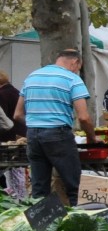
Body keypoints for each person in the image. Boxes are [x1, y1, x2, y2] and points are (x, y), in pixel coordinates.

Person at [13, 49, 96, 205]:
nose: (77, 70)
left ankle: (40, 227)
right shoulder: (73, 79)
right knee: (74, 186)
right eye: (79, 67)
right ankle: (80, 224)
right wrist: (92, 138)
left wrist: (37, 124)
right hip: (58, 135)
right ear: (75, 62)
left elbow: (17, 115)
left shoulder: (32, 77)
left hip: (33, 136)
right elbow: (84, 117)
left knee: (39, 189)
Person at [0, 71, 25, 141]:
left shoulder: (2, 94)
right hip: (21, 130)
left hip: (9, 134)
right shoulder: (16, 91)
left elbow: (2, 118)